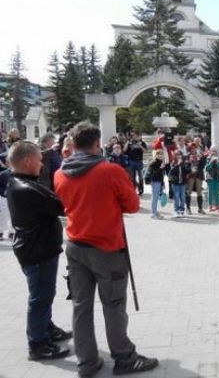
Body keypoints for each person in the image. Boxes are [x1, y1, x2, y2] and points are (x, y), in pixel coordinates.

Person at [53, 121, 158, 377]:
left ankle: (87, 362)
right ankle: (124, 358)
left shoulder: (59, 173)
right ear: (97, 143)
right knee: (113, 305)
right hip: (106, 248)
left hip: (75, 246)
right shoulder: (109, 171)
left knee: (81, 306)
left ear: (74, 144)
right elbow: (132, 205)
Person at [6, 141, 72, 360]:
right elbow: (61, 205)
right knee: (40, 297)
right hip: (37, 251)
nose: (42, 163)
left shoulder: (22, 181)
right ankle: (37, 343)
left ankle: (46, 328)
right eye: (39, 159)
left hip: (38, 248)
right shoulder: (26, 188)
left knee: (45, 294)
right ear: (27, 161)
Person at [168, 150, 190, 218]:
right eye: (176, 155)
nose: (178, 156)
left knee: (183, 197)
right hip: (175, 183)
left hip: (183, 183)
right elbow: (171, 173)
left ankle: (182, 211)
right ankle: (176, 211)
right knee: (176, 197)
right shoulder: (173, 163)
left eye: (179, 154)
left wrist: (187, 164)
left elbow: (188, 171)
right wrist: (178, 164)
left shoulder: (184, 163)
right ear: (174, 156)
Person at [148, 149, 166, 219]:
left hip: (159, 181)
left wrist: (163, 183)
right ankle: (153, 213)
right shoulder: (153, 163)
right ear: (156, 155)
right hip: (154, 181)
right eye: (158, 154)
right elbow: (152, 173)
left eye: (161, 154)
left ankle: (155, 211)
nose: (160, 155)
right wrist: (160, 168)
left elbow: (161, 175)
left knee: (156, 197)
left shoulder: (161, 162)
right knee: (154, 197)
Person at [204, 147, 219, 212]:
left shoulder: (218, 159)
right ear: (210, 152)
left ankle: (217, 206)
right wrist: (211, 162)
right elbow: (206, 168)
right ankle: (210, 206)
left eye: (215, 151)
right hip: (210, 177)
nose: (214, 152)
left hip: (217, 177)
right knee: (210, 192)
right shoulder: (208, 159)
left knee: (216, 192)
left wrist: (218, 163)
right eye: (212, 151)